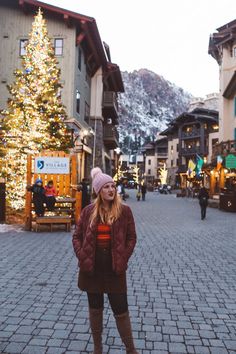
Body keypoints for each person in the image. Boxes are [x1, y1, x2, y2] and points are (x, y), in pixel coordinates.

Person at [72, 167, 138, 354]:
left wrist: (123, 256)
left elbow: (132, 237)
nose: (111, 190)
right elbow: (76, 236)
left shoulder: (124, 211)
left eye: (113, 186)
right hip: (92, 267)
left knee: (121, 310)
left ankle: (130, 349)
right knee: (95, 310)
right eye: (106, 187)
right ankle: (97, 347)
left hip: (114, 267)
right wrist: (81, 255)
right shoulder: (88, 211)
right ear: (98, 191)